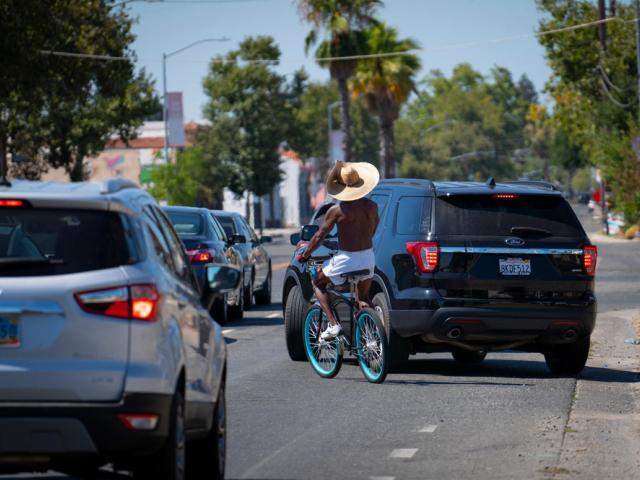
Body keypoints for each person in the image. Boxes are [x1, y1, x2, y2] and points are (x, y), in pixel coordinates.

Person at [300, 160, 380, 340]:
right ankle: (375, 337)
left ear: (341, 187)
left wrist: (305, 254)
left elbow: (319, 237)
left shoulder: (337, 211)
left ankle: (333, 325)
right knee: (364, 298)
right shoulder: (371, 207)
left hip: (346, 259)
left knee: (318, 283)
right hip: (368, 257)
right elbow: (373, 229)